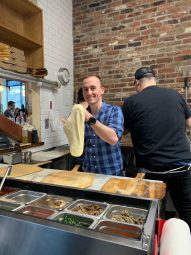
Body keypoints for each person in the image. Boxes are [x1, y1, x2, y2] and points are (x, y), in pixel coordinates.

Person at [122, 67, 191, 228]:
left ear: (136, 82)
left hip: (152, 172)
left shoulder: (132, 102)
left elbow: (121, 131)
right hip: (182, 168)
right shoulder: (176, 95)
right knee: (187, 213)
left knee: (150, 215)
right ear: (154, 79)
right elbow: (189, 123)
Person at [82, 74, 124, 176]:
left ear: (102, 90)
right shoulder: (82, 114)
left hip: (112, 173)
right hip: (88, 172)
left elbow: (113, 139)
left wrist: (89, 118)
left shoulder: (114, 111)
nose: (89, 92)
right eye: (85, 89)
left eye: (93, 88)